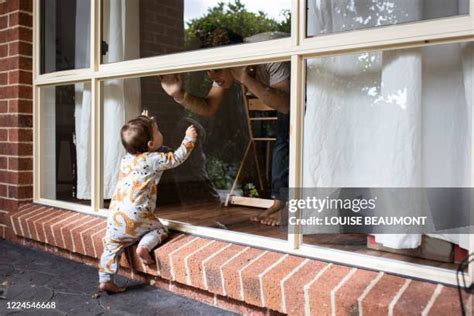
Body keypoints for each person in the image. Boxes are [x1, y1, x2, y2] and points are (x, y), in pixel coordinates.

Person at [159, 29, 290, 226]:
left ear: (234, 59)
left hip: (314, 80)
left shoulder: (271, 56)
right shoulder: (223, 65)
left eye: (217, 70)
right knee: (283, 137)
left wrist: (246, 79)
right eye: (208, 70)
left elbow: (287, 104)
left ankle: (293, 207)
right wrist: (178, 94)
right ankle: (280, 203)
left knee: (290, 134)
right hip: (277, 90)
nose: (212, 75)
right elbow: (210, 107)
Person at [98, 110, 197, 293]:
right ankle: (144, 247)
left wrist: (143, 121)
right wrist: (188, 139)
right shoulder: (153, 159)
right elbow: (176, 158)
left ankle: (105, 279)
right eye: (157, 131)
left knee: (111, 246)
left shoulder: (126, 159)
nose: (161, 133)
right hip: (138, 214)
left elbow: (136, 140)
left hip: (115, 215)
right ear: (151, 144)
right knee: (160, 229)